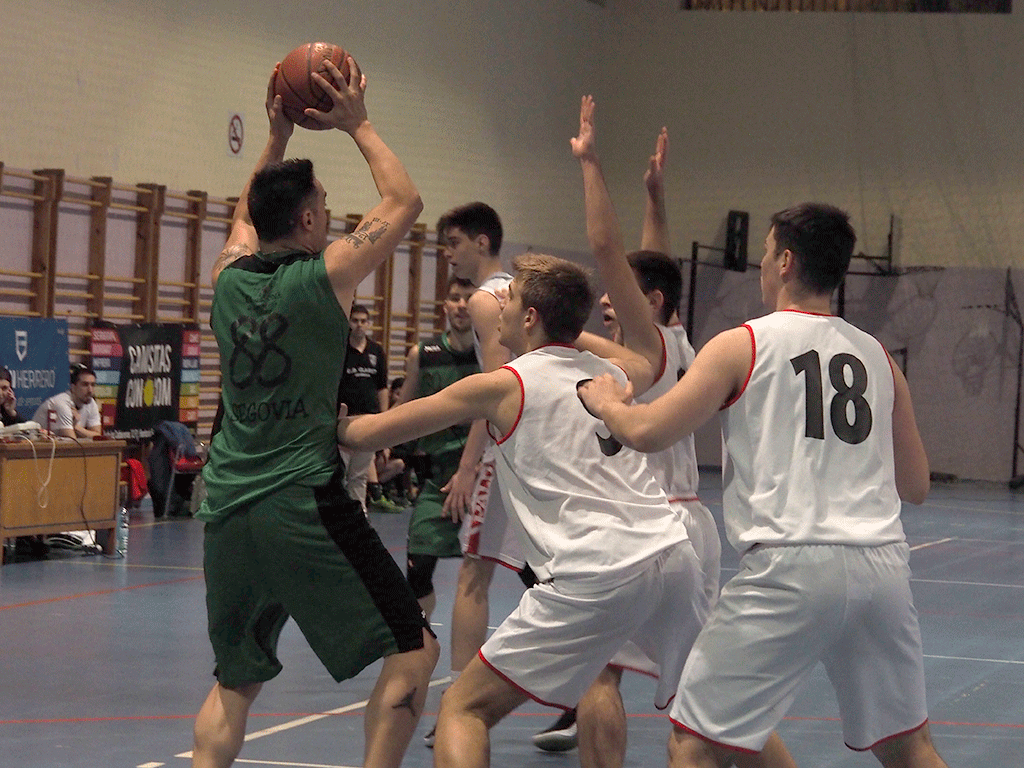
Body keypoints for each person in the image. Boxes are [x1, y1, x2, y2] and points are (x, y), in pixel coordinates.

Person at [578, 203, 948, 768]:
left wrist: (606, 403)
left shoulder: (742, 344)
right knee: (909, 748)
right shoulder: (879, 358)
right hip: (881, 570)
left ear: (787, 262)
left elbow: (649, 431)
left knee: (695, 744)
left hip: (790, 565)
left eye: (767, 252)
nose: (762, 264)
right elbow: (916, 484)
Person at [338, 252, 708, 768]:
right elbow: (648, 353)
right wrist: (568, 318)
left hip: (596, 571)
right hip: (672, 558)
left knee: (462, 710)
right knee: (713, 719)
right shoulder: (614, 370)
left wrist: (326, 421)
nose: (498, 308)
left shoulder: (501, 384)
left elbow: (371, 432)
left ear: (530, 317)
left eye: (509, 300)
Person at [191, 57, 438, 768]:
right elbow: (404, 199)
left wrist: (272, 140)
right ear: (306, 220)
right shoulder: (325, 276)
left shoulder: (227, 280)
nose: (330, 214)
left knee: (234, 680)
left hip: (227, 510)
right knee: (416, 649)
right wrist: (357, 123)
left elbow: (243, 219)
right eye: (324, 207)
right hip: (303, 501)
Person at [561, 96, 725, 767]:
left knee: (600, 670)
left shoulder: (639, 352)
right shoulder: (676, 343)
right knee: (705, 692)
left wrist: (591, 163)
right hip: (693, 531)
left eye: (619, 293)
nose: (608, 299)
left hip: (642, 531)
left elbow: (608, 250)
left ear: (648, 303)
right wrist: (655, 198)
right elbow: (653, 266)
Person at [423, 201, 526, 746]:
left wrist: (469, 466)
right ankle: (583, 689)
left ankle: (458, 702)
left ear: (482, 243)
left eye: (455, 243)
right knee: (551, 576)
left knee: (473, 573)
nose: (448, 255)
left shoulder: (488, 299)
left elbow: (494, 390)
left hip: (507, 450)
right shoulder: (519, 290)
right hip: (537, 442)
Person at [393, 276, 479, 619]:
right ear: (445, 305)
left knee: (527, 570)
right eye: (454, 298)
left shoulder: (493, 355)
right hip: (437, 481)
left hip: (482, 478)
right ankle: (421, 641)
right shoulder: (424, 354)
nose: (460, 305)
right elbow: (402, 412)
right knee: (417, 568)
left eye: (468, 299)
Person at [338, 303, 402, 513]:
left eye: (363, 321)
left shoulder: (376, 351)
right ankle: (338, 518)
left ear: (368, 324)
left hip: (368, 420)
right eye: (355, 320)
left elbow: (383, 387)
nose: (359, 325)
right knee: (341, 474)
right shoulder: (341, 350)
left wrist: (383, 418)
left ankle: (360, 517)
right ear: (349, 322)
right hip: (344, 423)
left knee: (359, 476)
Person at [33, 363, 101, 438]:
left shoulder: (90, 402)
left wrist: (76, 427)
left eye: (93, 385)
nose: (90, 390)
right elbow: (72, 441)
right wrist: (77, 428)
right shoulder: (61, 403)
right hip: (37, 446)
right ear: (73, 387)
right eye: (85, 385)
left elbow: (97, 435)